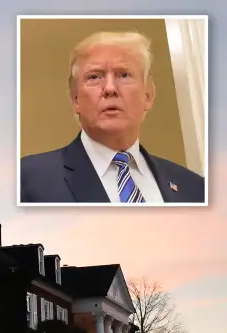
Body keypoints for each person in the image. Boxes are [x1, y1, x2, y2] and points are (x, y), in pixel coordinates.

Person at [20, 31, 205, 204]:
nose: (110, 88)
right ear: (75, 99)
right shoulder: (26, 179)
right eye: (94, 77)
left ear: (148, 97)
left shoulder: (194, 188)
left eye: (124, 75)